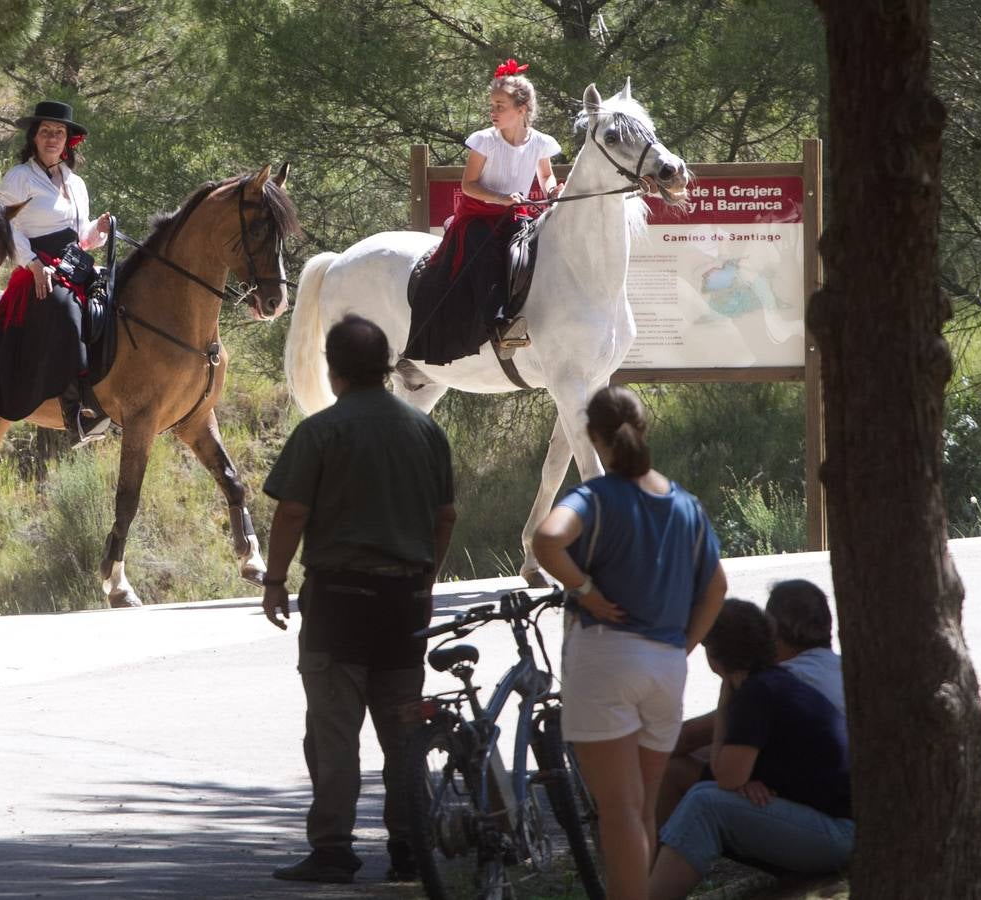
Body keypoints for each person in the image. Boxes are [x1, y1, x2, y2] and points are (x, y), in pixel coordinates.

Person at [260, 315, 457, 885]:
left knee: (334, 729)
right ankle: (409, 849)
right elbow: (445, 516)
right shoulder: (424, 432)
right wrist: (425, 577)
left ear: (334, 367)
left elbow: (292, 510)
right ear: (387, 365)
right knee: (402, 733)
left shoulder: (322, 431)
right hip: (404, 602)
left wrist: (275, 581)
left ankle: (332, 851)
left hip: (339, 602)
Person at [531, 385, 727, 900]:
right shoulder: (684, 504)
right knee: (642, 806)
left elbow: (547, 539)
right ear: (645, 430)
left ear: (595, 438)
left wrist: (587, 591)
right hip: (665, 666)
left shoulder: (594, 497)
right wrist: (682, 645)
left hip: (605, 658)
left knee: (616, 809)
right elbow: (717, 589)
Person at [649, 600, 853, 899]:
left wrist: (724, 701)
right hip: (833, 826)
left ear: (715, 656)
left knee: (705, 804)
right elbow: (736, 775)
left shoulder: (755, 694)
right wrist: (743, 782)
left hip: (839, 836)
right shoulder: (773, 683)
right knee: (701, 794)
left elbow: (726, 778)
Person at [404, 57, 561, 365]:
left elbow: (546, 176)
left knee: (537, 249)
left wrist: (553, 191)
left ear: (522, 109)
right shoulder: (484, 141)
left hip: (515, 215)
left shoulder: (540, 142)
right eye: (492, 105)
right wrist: (502, 199)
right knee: (485, 251)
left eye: (500, 106)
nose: (493, 112)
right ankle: (501, 324)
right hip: (478, 216)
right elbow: (470, 185)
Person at [658, 579, 844, 824]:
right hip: (837, 794)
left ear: (772, 630)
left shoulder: (780, 683)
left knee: (672, 769)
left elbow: (692, 738)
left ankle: (653, 856)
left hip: (819, 811)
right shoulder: (842, 670)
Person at [0, 99, 115, 445]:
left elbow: (81, 237)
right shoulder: (18, 178)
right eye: (45, 132)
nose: (52, 138)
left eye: (59, 133)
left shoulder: (77, 183)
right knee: (64, 308)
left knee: (116, 297)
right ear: (34, 138)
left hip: (73, 263)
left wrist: (99, 229)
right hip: (36, 266)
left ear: (68, 140)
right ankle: (77, 412)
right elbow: (4, 225)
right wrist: (33, 264)